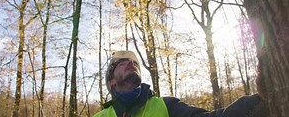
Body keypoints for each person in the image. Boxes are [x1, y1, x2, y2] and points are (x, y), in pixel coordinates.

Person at [93, 50, 266, 117]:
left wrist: (260, 100)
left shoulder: (165, 106)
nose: (131, 64)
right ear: (112, 82)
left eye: (135, 64)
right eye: (122, 63)